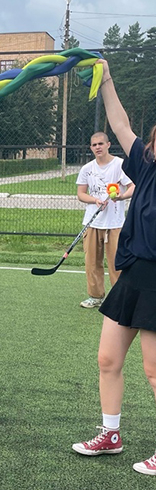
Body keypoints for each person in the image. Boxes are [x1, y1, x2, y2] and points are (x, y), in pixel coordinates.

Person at [72, 59, 156, 475]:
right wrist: (105, 77)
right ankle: (111, 434)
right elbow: (119, 122)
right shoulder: (145, 165)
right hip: (134, 273)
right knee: (107, 359)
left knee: (154, 371)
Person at [76, 132, 134, 309]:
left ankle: (119, 298)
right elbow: (81, 194)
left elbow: (133, 186)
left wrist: (121, 196)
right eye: (94, 145)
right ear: (91, 148)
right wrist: (95, 200)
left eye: (101, 144)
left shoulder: (120, 165)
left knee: (117, 263)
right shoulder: (87, 169)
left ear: (108, 145)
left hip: (115, 224)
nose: (98, 147)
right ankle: (95, 296)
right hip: (92, 222)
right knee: (92, 263)